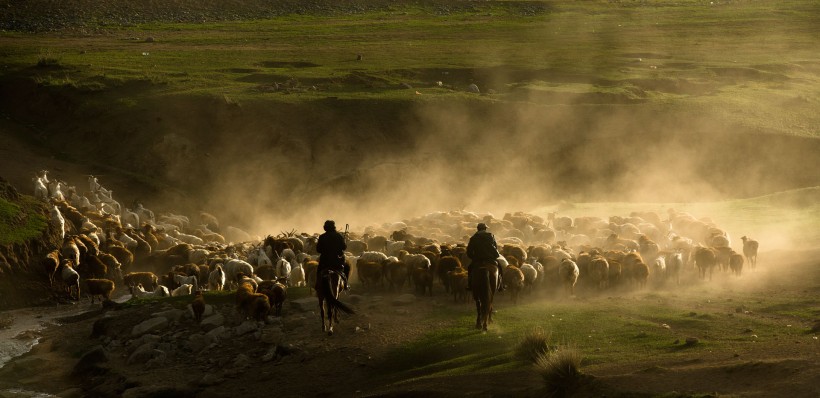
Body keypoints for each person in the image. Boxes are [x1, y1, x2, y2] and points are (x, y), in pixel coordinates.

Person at [465, 223, 504, 291]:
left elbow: (469, 251)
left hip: (478, 259)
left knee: (470, 268)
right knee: (499, 268)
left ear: (478, 229)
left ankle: (470, 285)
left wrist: (473, 257)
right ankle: (501, 285)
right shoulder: (491, 236)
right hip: (490, 259)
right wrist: (495, 255)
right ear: (485, 229)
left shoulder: (473, 238)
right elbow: (495, 247)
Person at [315, 220, 350, 290]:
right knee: (347, 267)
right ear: (334, 227)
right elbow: (344, 247)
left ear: (325, 227)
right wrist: (344, 242)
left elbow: (318, 249)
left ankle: (317, 285)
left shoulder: (322, 236)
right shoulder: (339, 236)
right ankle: (345, 284)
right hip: (337, 261)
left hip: (324, 262)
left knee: (319, 271)